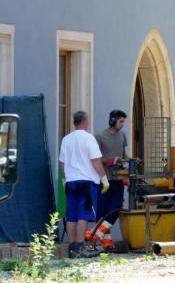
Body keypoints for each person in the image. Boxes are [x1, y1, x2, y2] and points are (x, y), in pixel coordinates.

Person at [59, 111, 110, 258]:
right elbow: (95, 161)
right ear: (85, 122)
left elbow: (62, 164)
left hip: (71, 182)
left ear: (74, 122)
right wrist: (104, 179)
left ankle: (72, 247)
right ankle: (80, 247)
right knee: (83, 214)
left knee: (71, 215)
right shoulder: (89, 138)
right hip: (87, 182)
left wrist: (64, 180)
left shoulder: (66, 139)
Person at [93, 110, 128, 250]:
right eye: (121, 121)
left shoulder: (123, 136)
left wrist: (131, 160)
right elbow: (95, 158)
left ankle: (94, 234)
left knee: (115, 210)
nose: (123, 124)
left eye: (123, 122)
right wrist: (109, 160)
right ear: (112, 120)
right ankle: (106, 243)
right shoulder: (100, 137)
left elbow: (123, 154)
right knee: (103, 211)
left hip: (118, 179)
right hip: (104, 180)